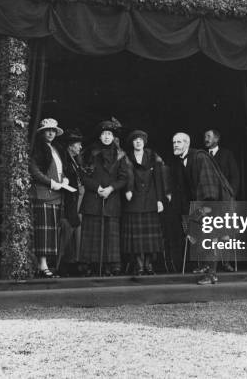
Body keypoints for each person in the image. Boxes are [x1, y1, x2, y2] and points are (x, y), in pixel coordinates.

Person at [170, 132, 234, 285]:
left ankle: (212, 275)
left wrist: (203, 210)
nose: (176, 145)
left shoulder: (199, 157)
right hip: (201, 203)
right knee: (197, 235)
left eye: (179, 142)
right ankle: (206, 266)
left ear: (187, 143)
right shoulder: (182, 160)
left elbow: (208, 186)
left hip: (213, 202)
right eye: (174, 142)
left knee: (210, 236)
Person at [79, 120, 129, 276]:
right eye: (104, 134)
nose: (106, 137)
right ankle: (90, 266)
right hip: (93, 199)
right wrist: (97, 188)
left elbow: (123, 178)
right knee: (92, 235)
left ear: (113, 137)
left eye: (109, 134)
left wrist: (111, 188)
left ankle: (111, 266)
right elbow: (84, 176)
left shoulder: (121, 155)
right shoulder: (90, 153)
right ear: (99, 136)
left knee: (110, 235)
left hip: (111, 199)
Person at [122, 130, 166, 275]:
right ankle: (139, 265)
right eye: (135, 140)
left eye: (140, 139)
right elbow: (124, 177)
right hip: (133, 201)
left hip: (150, 200)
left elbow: (159, 179)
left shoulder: (153, 156)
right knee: (136, 239)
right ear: (132, 143)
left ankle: (149, 265)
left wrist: (160, 200)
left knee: (150, 240)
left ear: (144, 142)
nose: (138, 142)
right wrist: (128, 191)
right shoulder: (126, 157)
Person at [30, 118, 68, 278]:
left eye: (53, 130)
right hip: (43, 195)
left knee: (52, 231)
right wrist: (51, 183)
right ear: (42, 132)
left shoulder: (56, 149)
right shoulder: (37, 149)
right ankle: (42, 265)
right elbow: (35, 170)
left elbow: (60, 170)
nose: (51, 133)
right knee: (43, 232)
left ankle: (46, 265)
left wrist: (64, 179)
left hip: (57, 195)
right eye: (48, 130)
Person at [204, 128, 240, 272]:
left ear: (216, 139)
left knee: (225, 233)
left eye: (208, 136)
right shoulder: (202, 156)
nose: (206, 139)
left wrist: (231, 195)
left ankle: (226, 262)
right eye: (205, 137)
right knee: (208, 233)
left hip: (224, 201)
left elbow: (235, 177)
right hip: (208, 202)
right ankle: (208, 265)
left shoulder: (227, 155)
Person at [57, 128, 85, 275]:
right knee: (67, 232)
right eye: (78, 144)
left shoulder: (75, 161)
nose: (80, 147)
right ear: (70, 145)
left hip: (76, 201)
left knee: (74, 233)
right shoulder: (65, 161)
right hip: (68, 201)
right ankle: (61, 265)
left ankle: (72, 264)